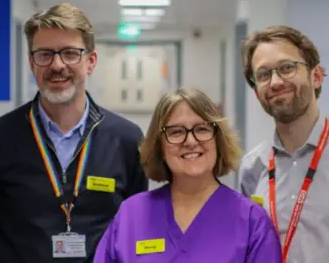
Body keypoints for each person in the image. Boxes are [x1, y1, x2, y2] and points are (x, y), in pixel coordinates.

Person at [0, 2, 148, 263]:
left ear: (91, 61)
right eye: (44, 54)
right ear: (32, 64)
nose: (57, 65)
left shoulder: (127, 140)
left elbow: (136, 233)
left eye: (70, 53)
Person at [94, 86, 282, 263]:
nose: (190, 141)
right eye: (176, 132)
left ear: (218, 140)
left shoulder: (251, 222)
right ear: (160, 145)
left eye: (202, 129)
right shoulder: (131, 215)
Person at [239, 25, 329, 263]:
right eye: (263, 74)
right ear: (257, 92)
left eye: (287, 68)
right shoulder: (252, 166)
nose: (276, 82)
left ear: (316, 76)